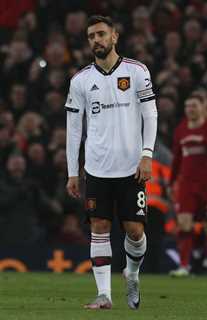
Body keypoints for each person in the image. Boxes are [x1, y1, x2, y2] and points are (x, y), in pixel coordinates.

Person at [65, 15, 157, 310]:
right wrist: (72, 172)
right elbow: (74, 129)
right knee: (99, 227)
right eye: (92, 36)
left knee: (135, 231)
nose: (97, 40)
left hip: (131, 168)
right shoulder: (80, 81)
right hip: (97, 169)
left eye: (102, 34)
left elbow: (150, 115)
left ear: (114, 37)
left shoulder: (137, 71)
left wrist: (147, 154)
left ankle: (131, 273)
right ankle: (104, 294)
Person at [168, 93, 207, 279]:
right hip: (187, 184)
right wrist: (172, 182)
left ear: (203, 107)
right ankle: (184, 266)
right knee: (184, 222)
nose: (190, 110)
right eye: (187, 106)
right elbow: (177, 158)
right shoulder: (181, 129)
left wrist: (202, 140)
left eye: (194, 106)